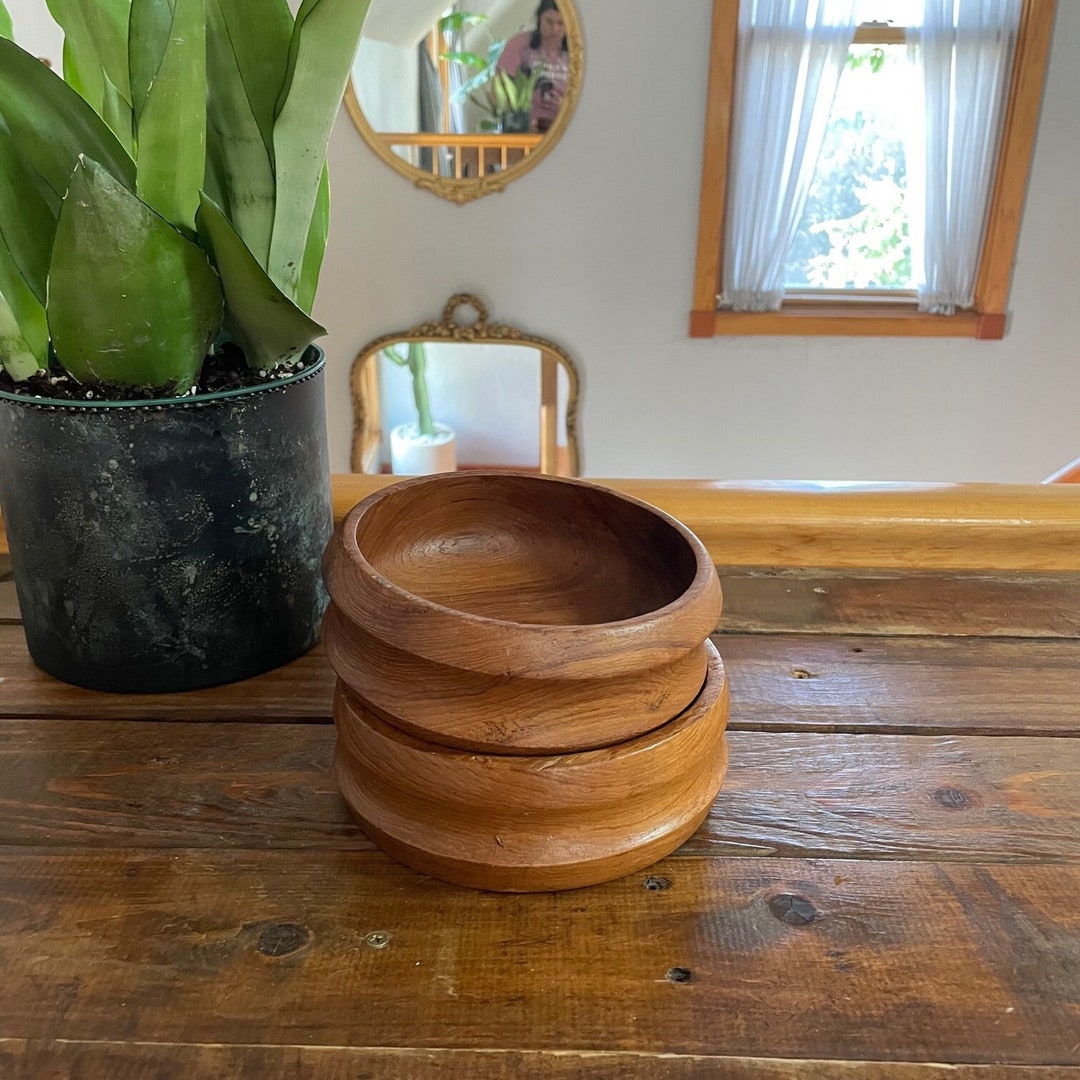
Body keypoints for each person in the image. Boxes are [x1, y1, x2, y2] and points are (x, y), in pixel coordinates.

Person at [496, 0, 569, 133]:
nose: (555, 29)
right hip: (523, 128)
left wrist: (566, 107)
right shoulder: (519, 45)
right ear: (539, 19)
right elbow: (499, 85)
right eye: (549, 22)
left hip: (563, 129)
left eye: (561, 23)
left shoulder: (574, 54)